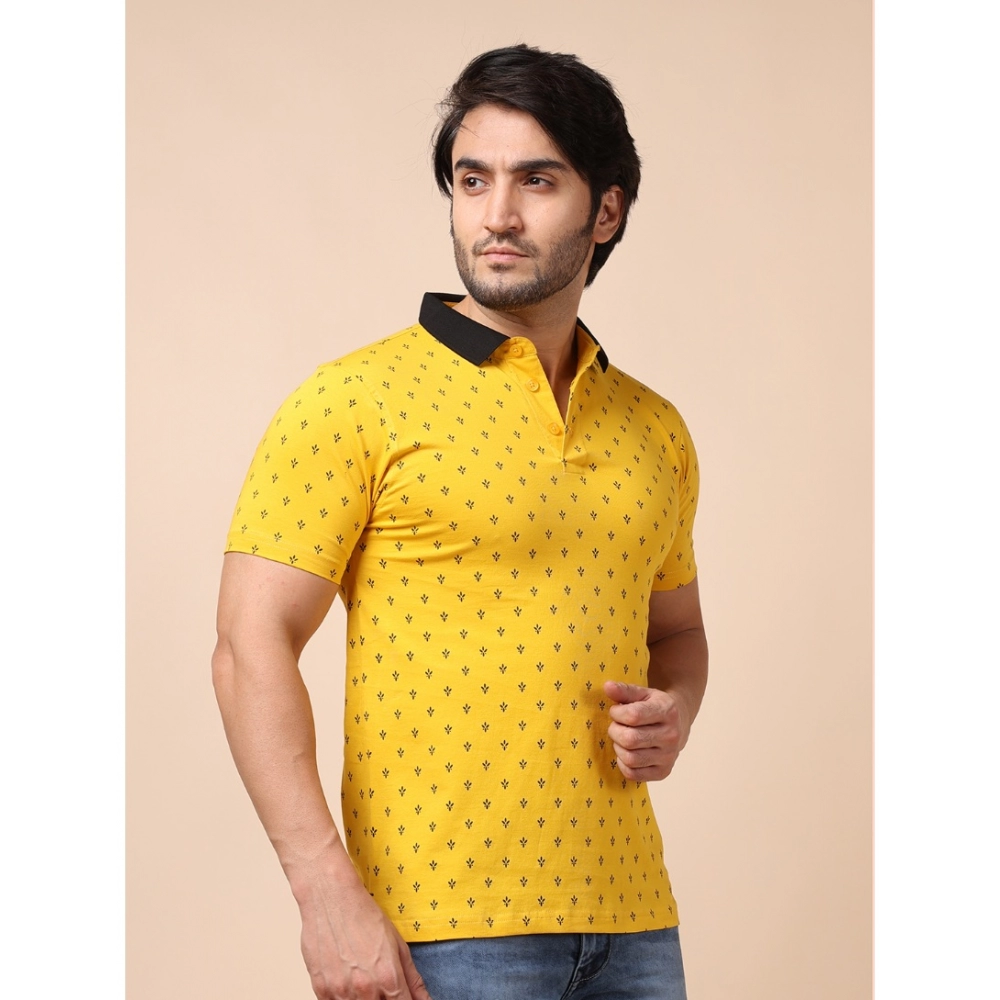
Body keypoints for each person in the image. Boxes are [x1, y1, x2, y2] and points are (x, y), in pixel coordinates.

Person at [212, 43, 708, 1000]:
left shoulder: (655, 429)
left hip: (636, 926)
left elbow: (678, 633)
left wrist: (676, 708)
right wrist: (326, 894)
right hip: (438, 935)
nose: (497, 215)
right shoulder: (354, 399)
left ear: (606, 211)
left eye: (537, 182)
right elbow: (246, 646)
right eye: (473, 180)